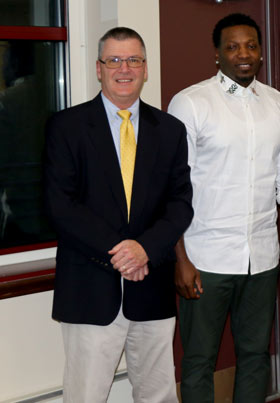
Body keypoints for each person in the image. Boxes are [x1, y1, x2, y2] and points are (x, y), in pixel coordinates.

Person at [43, 27, 193, 402]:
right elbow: (60, 205)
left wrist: (146, 249)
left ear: (145, 68)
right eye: (114, 60)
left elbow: (180, 203)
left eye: (133, 60)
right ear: (99, 68)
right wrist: (123, 252)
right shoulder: (67, 127)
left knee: (158, 393)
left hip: (153, 289)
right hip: (90, 289)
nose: (123, 68)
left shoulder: (170, 130)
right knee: (86, 395)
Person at [167, 13, 280, 403]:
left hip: (263, 258)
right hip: (205, 258)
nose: (242, 54)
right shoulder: (191, 103)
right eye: (232, 46)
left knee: (256, 356)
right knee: (198, 361)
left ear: (261, 52)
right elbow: (173, 187)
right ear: (217, 54)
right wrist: (179, 257)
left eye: (250, 45)